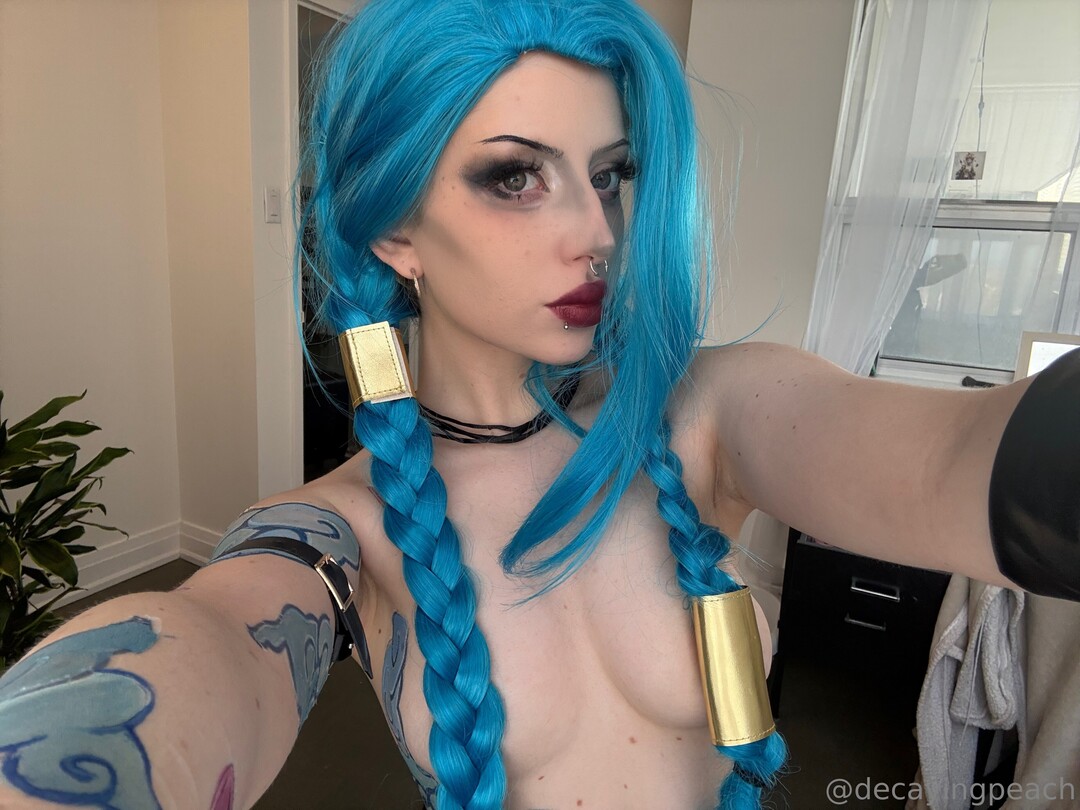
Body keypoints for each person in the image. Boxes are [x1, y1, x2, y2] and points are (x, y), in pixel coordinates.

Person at [1, 1, 1077, 809]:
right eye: (516, 176)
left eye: (609, 174)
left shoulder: (714, 412)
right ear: (395, 230)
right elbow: (194, 646)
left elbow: (960, 462)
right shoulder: (340, 529)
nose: (597, 233)